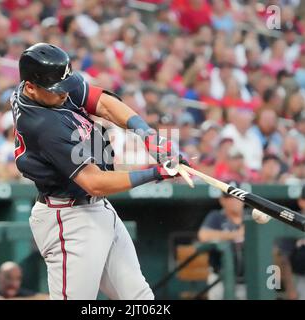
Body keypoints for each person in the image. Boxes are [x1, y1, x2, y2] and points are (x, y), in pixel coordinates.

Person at [12, 43, 188, 300]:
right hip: (67, 218)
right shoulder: (42, 125)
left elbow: (101, 102)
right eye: (57, 91)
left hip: (96, 209)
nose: (64, 94)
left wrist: (146, 133)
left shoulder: (44, 85)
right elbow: (93, 182)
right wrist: (157, 173)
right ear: (30, 87)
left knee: (139, 299)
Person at [197, 181, 247, 300]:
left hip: (249, 280)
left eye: (237, 197)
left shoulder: (251, 217)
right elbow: (203, 235)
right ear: (222, 200)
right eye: (229, 197)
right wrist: (235, 234)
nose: (234, 201)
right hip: (220, 279)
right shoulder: (216, 217)